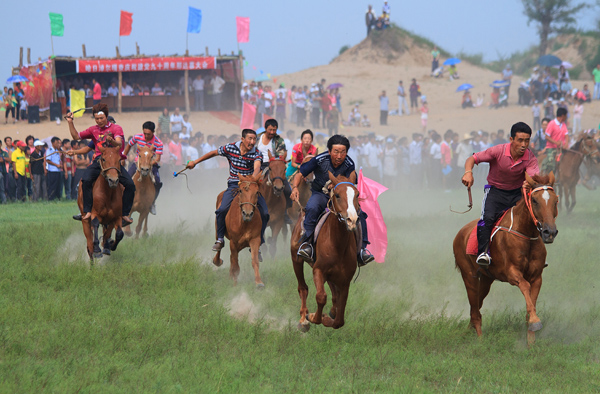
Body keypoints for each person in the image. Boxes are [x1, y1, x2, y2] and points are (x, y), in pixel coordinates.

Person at [462, 122, 539, 267]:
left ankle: (536, 255)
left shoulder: (530, 158)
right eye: (520, 140)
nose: (524, 144)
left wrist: (529, 182)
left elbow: (533, 177)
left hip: (517, 193)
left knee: (533, 217)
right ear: (511, 140)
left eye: (527, 140)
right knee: (488, 218)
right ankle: (483, 252)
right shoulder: (498, 151)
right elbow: (472, 159)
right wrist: (468, 173)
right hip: (495, 192)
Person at [291, 134, 374, 266]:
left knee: (360, 214)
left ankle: (362, 250)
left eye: (343, 152)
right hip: (321, 194)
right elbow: (301, 174)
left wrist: (338, 184)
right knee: (312, 207)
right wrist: (295, 187)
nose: (339, 156)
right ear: (329, 151)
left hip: (341, 197)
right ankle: (307, 245)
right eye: (336, 152)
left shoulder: (349, 163)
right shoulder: (319, 159)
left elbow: (351, 182)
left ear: (347, 152)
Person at [185, 129, 269, 252]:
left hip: (250, 186)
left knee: (265, 213)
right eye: (249, 139)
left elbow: (257, 167)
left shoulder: (256, 153)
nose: (252, 142)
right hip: (234, 184)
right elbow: (214, 153)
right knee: (221, 209)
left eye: (254, 139)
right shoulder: (230, 148)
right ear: (242, 139)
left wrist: (253, 177)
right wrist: (195, 162)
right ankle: (220, 239)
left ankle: (259, 240)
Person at [66, 103, 135, 225]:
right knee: (85, 180)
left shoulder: (116, 128)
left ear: (106, 117)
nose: (99, 121)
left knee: (130, 185)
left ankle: (124, 214)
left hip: (114, 162)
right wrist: (70, 122)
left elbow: (119, 144)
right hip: (100, 161)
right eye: (96, 119)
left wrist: (112, 141)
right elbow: (76, 136)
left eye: (101, 118)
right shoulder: (93, 130)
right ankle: (87, 211)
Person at [257, 118, 293, 224]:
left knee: (287, 190)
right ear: (265, 129)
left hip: (274, 165)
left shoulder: (279, 140)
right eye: (270, 130)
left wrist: (274, 162)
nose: (272, 132)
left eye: (274, 130)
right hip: (258, 164)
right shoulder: (258, 139)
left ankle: (285, 212)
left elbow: (281, 155)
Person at [123, 121, 163, 215]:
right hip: (138, 163)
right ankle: (124, 201)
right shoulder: (137, 137)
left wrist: (148, 164)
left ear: (153, 132)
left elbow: (157, 158)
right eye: (144, 133)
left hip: (151, 165)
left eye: (148, 134)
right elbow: (128, 145)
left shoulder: (158, 143)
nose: (146, 136)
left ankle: (152, 204)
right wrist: (124, 157)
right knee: (126, 179)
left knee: (157, 182)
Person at [542, 108, 569, 175]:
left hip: (561, 148)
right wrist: (556, 143)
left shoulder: (563, 124)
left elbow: (566, 135)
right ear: (562, 116)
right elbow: (547, 136)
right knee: (551, 164)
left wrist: (566, 143)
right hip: (551, 148)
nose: (566, 117)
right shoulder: (552, 124)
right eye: (566, 115)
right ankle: (549, 178)